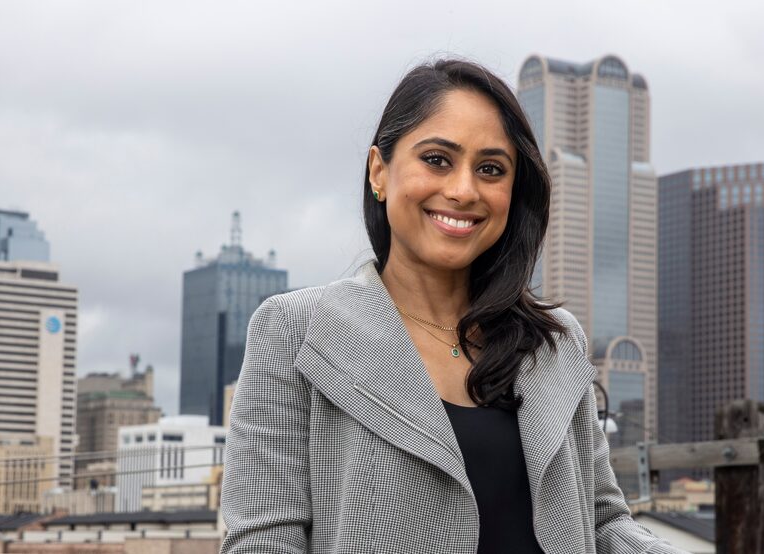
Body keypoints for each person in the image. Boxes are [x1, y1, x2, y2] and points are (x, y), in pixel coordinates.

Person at [220, 59, 689, 553]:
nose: (463, 190)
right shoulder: (296, 332)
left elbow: (602, 521)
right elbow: (264, 541)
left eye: (491, 169)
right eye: (437, 160)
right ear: (379, 171)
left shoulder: (554, 341)